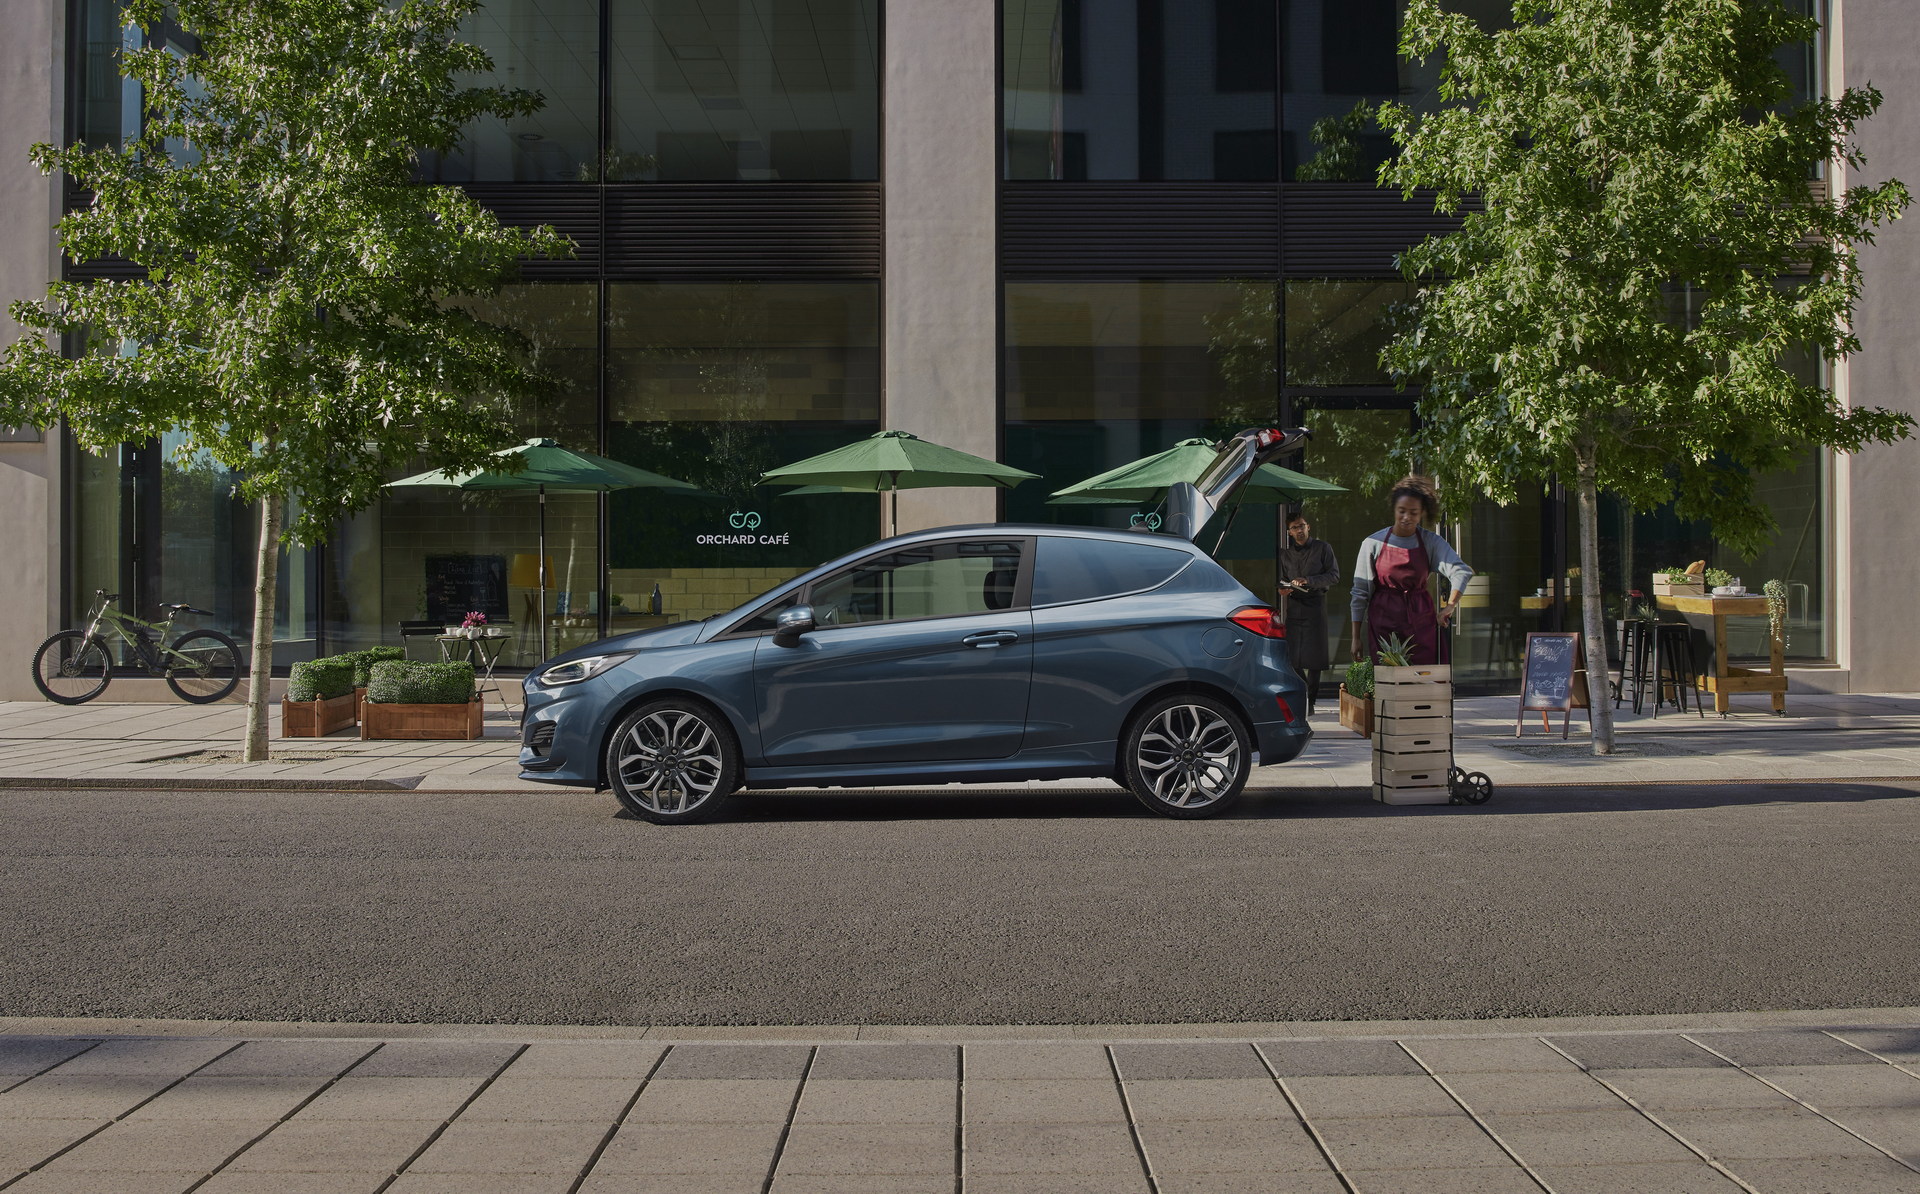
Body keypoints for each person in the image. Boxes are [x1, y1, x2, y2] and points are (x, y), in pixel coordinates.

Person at [1350, 475, 1474, 666]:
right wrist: (1355, 638)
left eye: (1413, 513)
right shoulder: (1372, 543)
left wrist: (1450, 606)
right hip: (1383, 624)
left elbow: (1461, 571)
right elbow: (1360, 594)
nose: (1407, 517)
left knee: (1424, 681)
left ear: (1422, 513)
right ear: (1394, 510)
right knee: (1388, 683)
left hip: (1421, 623)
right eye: (1402, 511)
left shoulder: (1431, 542)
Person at [1277, 511, 1339, 714]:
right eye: (1295, 528)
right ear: (1289, 532)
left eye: (1301, 526)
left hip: (1316, 606)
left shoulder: (1323, 548)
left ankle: (1310, 702)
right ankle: (1303, 693)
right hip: (1294, 607)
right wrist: (1283, 589)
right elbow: (1283, 579)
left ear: (1308, 527)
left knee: (1315, 659)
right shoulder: (1285, 554)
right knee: (1292, 657)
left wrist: (1309, 581)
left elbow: (1334, 576)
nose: (1299, 530)